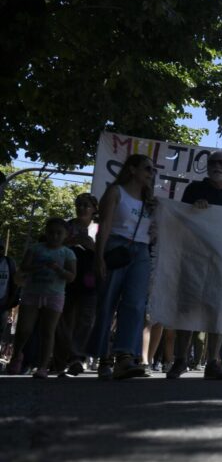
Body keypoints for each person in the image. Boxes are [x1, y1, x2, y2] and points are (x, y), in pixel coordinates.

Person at [166, 149, 222, 380]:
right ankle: (180, 360)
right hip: (194, 258)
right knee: (187, 309)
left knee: (217, 312)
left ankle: (213, 361)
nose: (217, 166)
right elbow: (179, 218)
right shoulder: (194, 190)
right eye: (213, 162)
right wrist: (193, 209)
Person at [87, 153, 155, 380]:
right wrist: (99, 257)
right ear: (132, 169)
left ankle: (125, 357)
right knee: (108, 303)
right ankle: (103, 356)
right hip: (116, 248)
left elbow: (154, 231)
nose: (150, 173)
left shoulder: (150, 200)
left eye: (152, 170)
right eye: (147, 168)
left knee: (135, 304)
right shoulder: (116, 192)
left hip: (142, 251)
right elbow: (104, 226)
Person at [6, 218, 76, 378]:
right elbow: (24, 266)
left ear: (66, 235)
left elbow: (72, 276)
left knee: (48, 331)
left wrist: (58, 269)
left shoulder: (68, 253)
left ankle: (43, 366)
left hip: (54, 295)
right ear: (46, 232)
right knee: (24, 329)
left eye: (59, 233)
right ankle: (17, 356)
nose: (55, 236)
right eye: (51, 232)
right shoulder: (36, 249)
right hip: (32, 293)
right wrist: (37, 266)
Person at [55, 193, 99, 376]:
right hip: (67, 277)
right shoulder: (67, 226)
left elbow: (106, 251)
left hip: (90, 277)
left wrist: (92, 247)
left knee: (86, 318)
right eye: (78, 204)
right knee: (64, 318)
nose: (81, 208)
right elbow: (53, 244)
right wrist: (70, 242)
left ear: (94, 208)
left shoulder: (100, 228)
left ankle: (77, 356)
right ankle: (63, 356)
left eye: (85, 205)